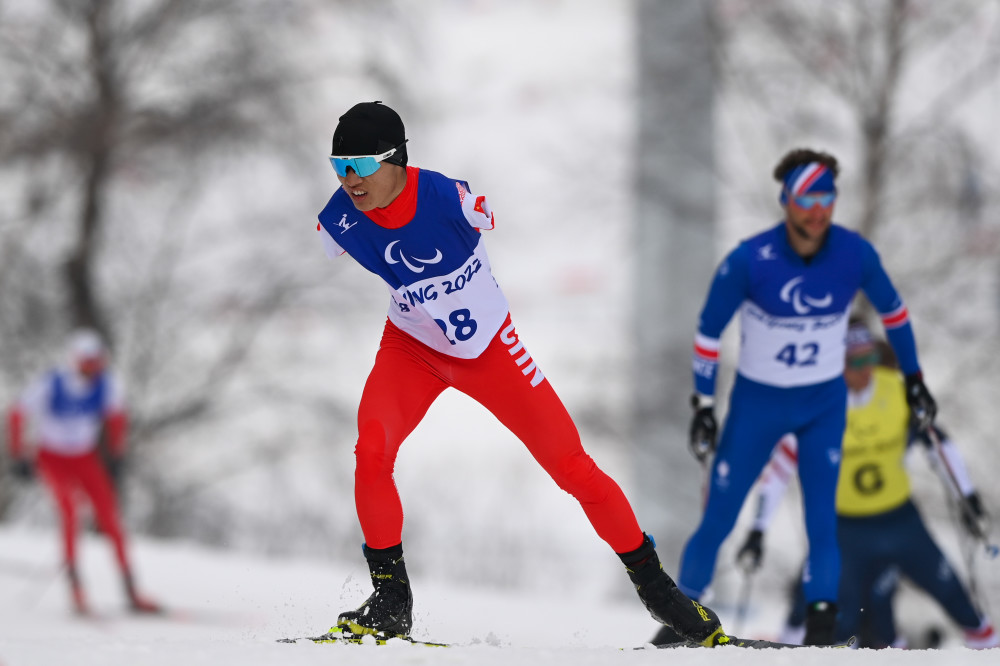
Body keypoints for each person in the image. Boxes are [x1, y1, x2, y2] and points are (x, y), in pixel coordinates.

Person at [315, 100, 728, 646]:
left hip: (490, 351)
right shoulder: (338, 219)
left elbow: (482, 207)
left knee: (572, 467)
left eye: (363, 165)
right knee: (371, 451)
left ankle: (661, 594)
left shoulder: (446, 199)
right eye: (339, 165)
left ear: (397, 160)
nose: (350, 179)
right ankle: (391, 600)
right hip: (411, 349)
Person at [677, 149, 936, 645]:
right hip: (758, 405)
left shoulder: (854, 254)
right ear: (786, 201)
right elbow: (709, 332)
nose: (818, 212)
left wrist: (915, 378)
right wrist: (703, 406)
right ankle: (677, 620)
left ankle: (821, 632)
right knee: (720, 516)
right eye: (806, 200)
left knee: (822, 519)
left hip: (821, 405)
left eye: (827, 199)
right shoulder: (750, 259)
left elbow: (895, 314)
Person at [735, 322, 998, 649]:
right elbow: (777, 474)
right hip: (847, 531)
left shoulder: (897, 390)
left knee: (959, 603)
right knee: (844, 624)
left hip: (901, 521)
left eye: (869, 358)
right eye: (856, 362)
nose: (867, 369)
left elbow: (939, 445)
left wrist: (968, 498)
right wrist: (757, 530)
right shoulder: (814, 406)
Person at [7, 329, 159, 616]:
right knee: (70, 511)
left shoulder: (107, 383)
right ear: (75, 360)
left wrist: (116, 454)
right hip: (51, 458)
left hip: (84, 457)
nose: (93, 369)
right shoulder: (53, 382)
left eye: (97, 362)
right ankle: (76, 590)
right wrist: (18, 455)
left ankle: (131, 590)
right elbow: (16, 413)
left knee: (110, 518)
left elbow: (117, 417)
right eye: (87, 363)